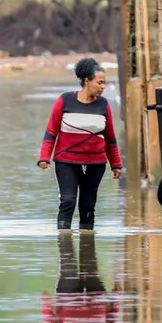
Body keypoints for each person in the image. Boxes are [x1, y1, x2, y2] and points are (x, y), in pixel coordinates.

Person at [38, 58, 124, 231]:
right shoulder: (65, 101)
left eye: (104, 83)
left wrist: (116, 164)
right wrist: (44, 157)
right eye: (100, 82)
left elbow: (110, 138)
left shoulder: (103, 104)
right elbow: (51, 132)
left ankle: (87, 252)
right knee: (68, 201)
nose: (103, 86)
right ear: (87, 81)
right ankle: (65, 248)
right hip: (66, 162)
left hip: (96, 164)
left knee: (88, 206)